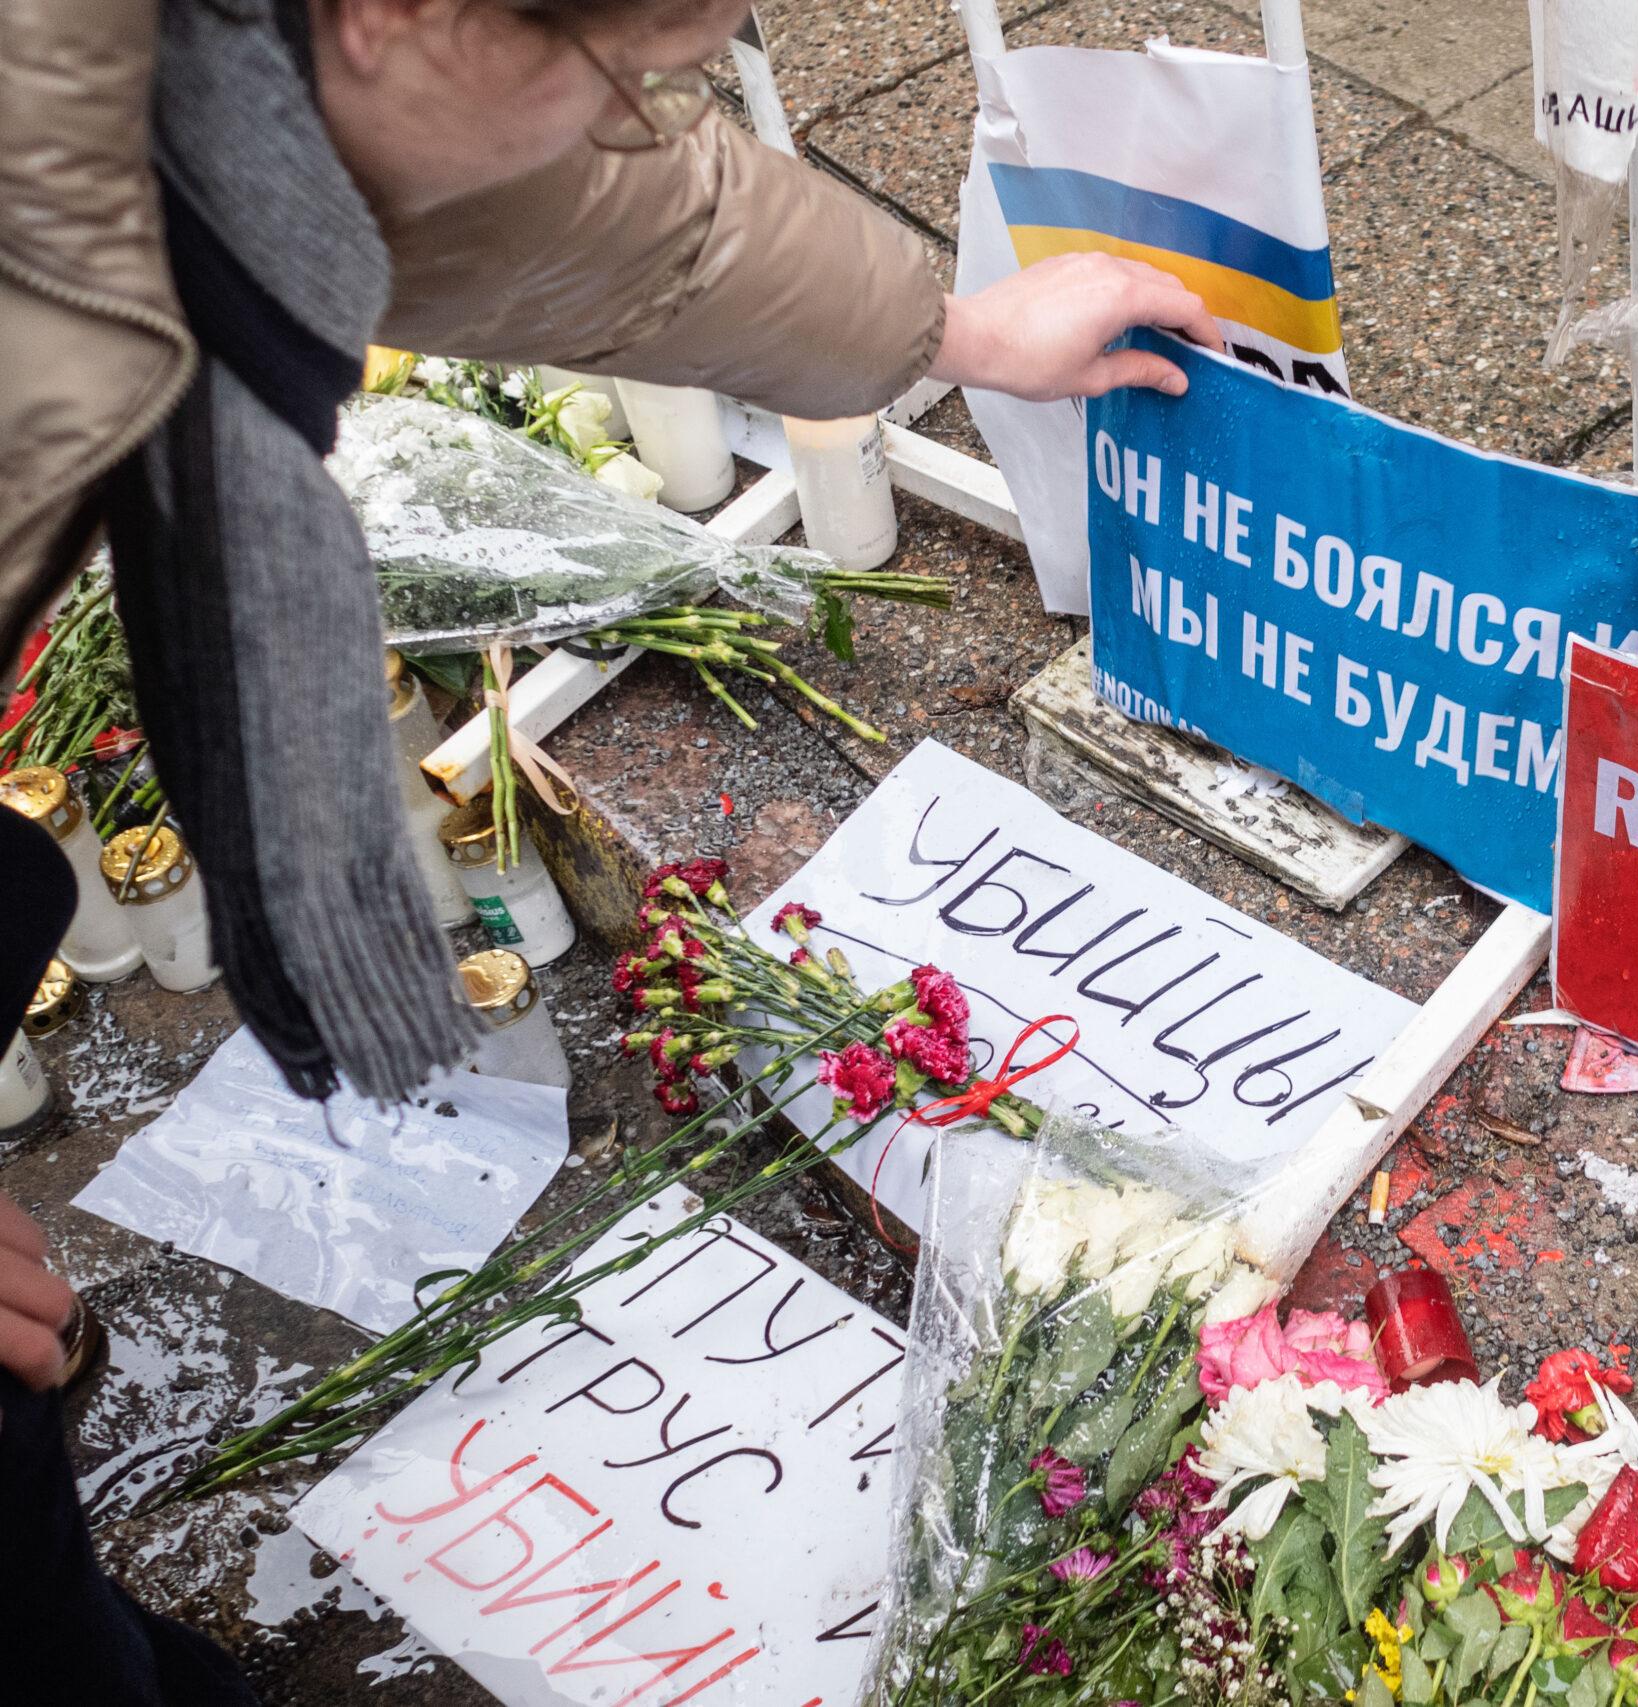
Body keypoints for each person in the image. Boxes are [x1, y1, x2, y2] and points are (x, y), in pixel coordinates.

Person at [1, 0, 1222, 1696]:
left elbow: (571, 206)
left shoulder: (233, 82)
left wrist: (949, 328)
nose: (646, 113)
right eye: (635, 74)